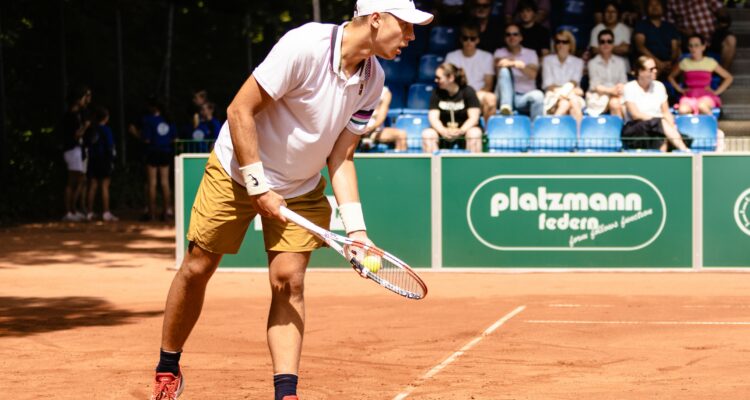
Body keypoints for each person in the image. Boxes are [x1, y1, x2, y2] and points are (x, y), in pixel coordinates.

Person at [148, 2, 433, 400]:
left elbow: (341, 157)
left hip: (300, 188)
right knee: (198, 267)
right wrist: (257, 184)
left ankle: (287, 393)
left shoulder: (373, 79)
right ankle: (168, 367)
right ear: (375, 19)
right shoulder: (304, 46)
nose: (411, 37)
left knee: (289, 281)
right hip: (236, 170)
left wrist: (357, 230)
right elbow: (239, 110)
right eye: (405, 26)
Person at [622, 56, 691, 152]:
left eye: (655, 68)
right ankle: (685, 150)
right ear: (641, 71)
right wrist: (657, 120)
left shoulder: (659, 86)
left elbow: (666, 112)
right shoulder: (629, 87)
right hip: (637, 129)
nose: (655, 71)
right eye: (651, 69)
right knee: (660, 125)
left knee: (662, 135)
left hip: (657, 129)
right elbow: (635, 115)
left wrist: (671, 126)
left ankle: (663, 162)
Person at [422, 63, 483, 153]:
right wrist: (443, 131)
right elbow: (433, 117)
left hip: (464, 132)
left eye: (439, 78)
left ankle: (473, 166)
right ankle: (433, 166)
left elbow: (474, 118)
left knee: (475, 133)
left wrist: (461, 131)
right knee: (427, 134)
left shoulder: (468, 91)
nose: (436, 80)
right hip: (443, 134)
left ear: (451, 78)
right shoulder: (436, 93)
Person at [668, 34, 733, 116]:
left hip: (706, 95)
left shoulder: (710, 62)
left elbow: (728, 77)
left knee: (702, 107)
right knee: (683, 110)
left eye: (696, 45)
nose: (693, 48)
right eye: (690, 46)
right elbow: (671, 77)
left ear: (703, 47)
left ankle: (712, 127)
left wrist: (716, 92)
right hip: (689, 95)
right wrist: (680, 90)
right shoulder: (684, 62)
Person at [445, 22, 497, 123]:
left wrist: (472, 97)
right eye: (465, 38)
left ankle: (487, 133)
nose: (469, 41)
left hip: (479, 94)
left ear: (478, 40)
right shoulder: (451, 56)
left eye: (472, 38)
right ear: (461, 39)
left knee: (491, 98)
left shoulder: (487, 57)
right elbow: (448, 83)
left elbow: (488, 85)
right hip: (457, 94)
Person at [493, 23, 545, 121]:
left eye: (515, 34)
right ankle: (506, 108)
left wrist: (517, 65)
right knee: (504, 70)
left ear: (521, 37)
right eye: (508, 35)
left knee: (538, 96)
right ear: (504, 38)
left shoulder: (531, 53)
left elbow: (533, 75)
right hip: (505, 96)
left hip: (524, 97)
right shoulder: (499, 52)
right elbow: (498, 69)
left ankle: (535, 130)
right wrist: (517, 63)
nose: (511, 37)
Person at [666, 0, 736, 70]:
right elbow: (669, 24)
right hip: (690, 39)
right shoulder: (672, 2)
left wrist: (722, 16)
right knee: (676, 42)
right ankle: (682, 76)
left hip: (712, 35)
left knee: (730, 40)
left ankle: (723, 74)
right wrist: (682, 30)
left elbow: (721, 10)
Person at [141, 99, 177, 222]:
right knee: (165, 183)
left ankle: (152, 213)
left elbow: (146, 139)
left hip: (153, 152)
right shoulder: (169, 120)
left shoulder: (148, 120)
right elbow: (174, 138)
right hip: (165, 152)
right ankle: (166, 212)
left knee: (152, 183)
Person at [61, 85, 92, 222]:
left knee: (76, 180)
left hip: (75, 150)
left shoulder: (76, 113)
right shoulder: (72, 115)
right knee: (73, 181)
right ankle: (69, 211)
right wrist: (85, 126)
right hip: (72, 149)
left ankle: (73, 210)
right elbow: (76, 135)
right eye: (82, 97)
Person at [542, 30, 585, 126]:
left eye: (564, 42)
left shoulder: (578, 62)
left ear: (570, 44)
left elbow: (574, 81)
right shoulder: (547, 60)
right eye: (558, 42)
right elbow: (548, 85)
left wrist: (565, 93)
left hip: (572, 94)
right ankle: (577, 137)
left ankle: (553, 130)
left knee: (571, 102)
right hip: (553, 95)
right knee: (566, 103)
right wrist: (564, 93)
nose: (561, 45)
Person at [586, 29, 629, 118]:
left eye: (609, 41)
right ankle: (621, 131)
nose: (606, 44)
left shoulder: (620, 62)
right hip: (599, 96)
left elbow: (623, 81)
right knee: (615, 103)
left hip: (617, 94)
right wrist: (611, 91)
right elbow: (595, 85)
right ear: (598, 45)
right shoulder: (592, 63)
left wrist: (618, 89)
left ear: (613, 44)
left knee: (616, 102)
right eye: (602, 42)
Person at [85, 106, 118, 222]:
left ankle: (89, 212)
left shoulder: (91, 129)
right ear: (106, 118)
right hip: (104, 159)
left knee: (92, 186)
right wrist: (112, 159)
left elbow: (88, 144)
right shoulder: (106, 130)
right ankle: (106, 212)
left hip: (93, 159)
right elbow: (110, 146)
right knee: (104, 186)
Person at [634, 0, 681, 78]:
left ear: (663, 8)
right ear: (646, 9)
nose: (654, 7)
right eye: (651, 5)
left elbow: (675, 49)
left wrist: (669, 63)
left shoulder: (670, 27)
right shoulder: (641, 25)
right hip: (647, 65)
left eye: (657, 4)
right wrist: (658, 63)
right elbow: (640, 47)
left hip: (669, 66)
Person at [360, 86, 408, 151]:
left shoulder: (385, 92)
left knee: (401, 135)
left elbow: (382, 115)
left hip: (376, 130)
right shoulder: (357, 88)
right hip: (356, 129)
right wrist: (359, 129)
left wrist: (371, 128)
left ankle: (400, 160)